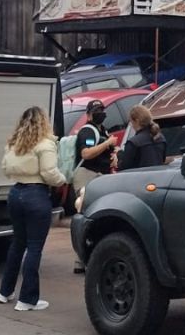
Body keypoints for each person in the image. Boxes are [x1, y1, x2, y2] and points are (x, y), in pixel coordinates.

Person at [0, 106, 65, 312]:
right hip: (36, 194)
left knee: (17, 243)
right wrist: (63, 180)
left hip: (15, 192)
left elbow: (4, 168)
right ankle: (27, 299)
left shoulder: (14, 143)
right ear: (44, 122)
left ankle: (5, 291)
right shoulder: (45, 144)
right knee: (35, 247)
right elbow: (49, 172)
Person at [71, 100, 117, 273]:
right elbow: (86, 153)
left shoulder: (102, 130)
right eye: (97, 110)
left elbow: (108, 150)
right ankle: (80, 259)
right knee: (85, 215)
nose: (101, 113)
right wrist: (107, 143)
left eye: (102, 109)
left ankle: (92, 256)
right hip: (87, 176)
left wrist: (115, 154)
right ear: (89, 113)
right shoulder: (87, 131)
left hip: (101, 177)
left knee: (99, 216)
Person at [118, 105, 167, 170]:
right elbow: (162, 160)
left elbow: (124, 167)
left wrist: (119, 155)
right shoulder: (160, 138)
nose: (131, 125)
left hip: (140, 178)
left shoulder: (133, 143)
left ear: (137, 121)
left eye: (131, 121)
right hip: (159, 177)